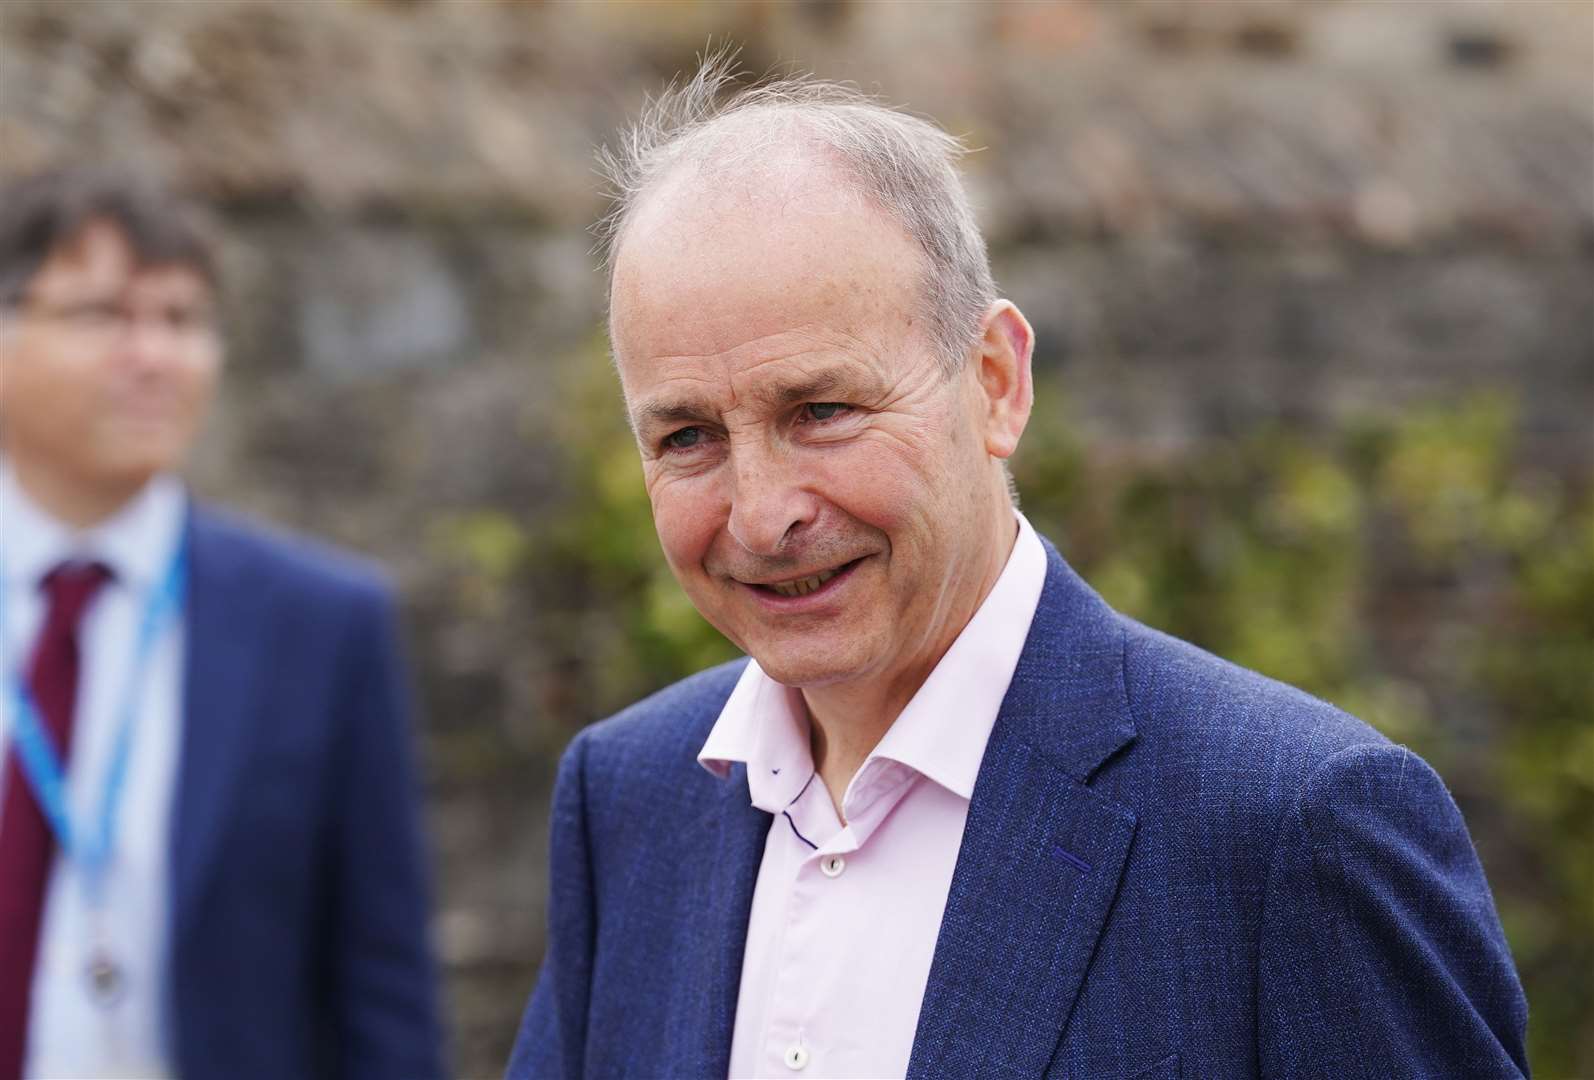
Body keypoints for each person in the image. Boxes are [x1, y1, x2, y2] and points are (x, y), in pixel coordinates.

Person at [508, 58, 1529, 1080]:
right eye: (687, 436)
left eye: (821, 412)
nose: (764, 515)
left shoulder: (1289, 831)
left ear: (994, 382)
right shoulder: (626, 799)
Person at [0, 169, 445, 1080]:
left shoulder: (320, 625)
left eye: (183, 320)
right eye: (104, 316)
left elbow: (382, 984)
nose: (155, 356)